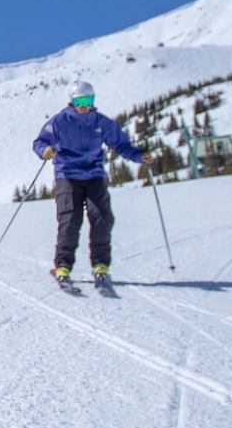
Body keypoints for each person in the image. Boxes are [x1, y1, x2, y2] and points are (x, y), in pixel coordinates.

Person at [32, 79, 150, 285]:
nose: (83, 104)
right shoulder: (59, 122)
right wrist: (45, 150)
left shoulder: (101, 122)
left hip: (94, 175)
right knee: (70, 220)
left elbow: (121, 144)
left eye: (87, 99)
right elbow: (40, 141)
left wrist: (139, 156)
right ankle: (63, 265)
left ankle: (100, 264)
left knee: (102, 217)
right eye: (79, 100)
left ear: (93, 100)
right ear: (72, 101)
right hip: (67, 175)